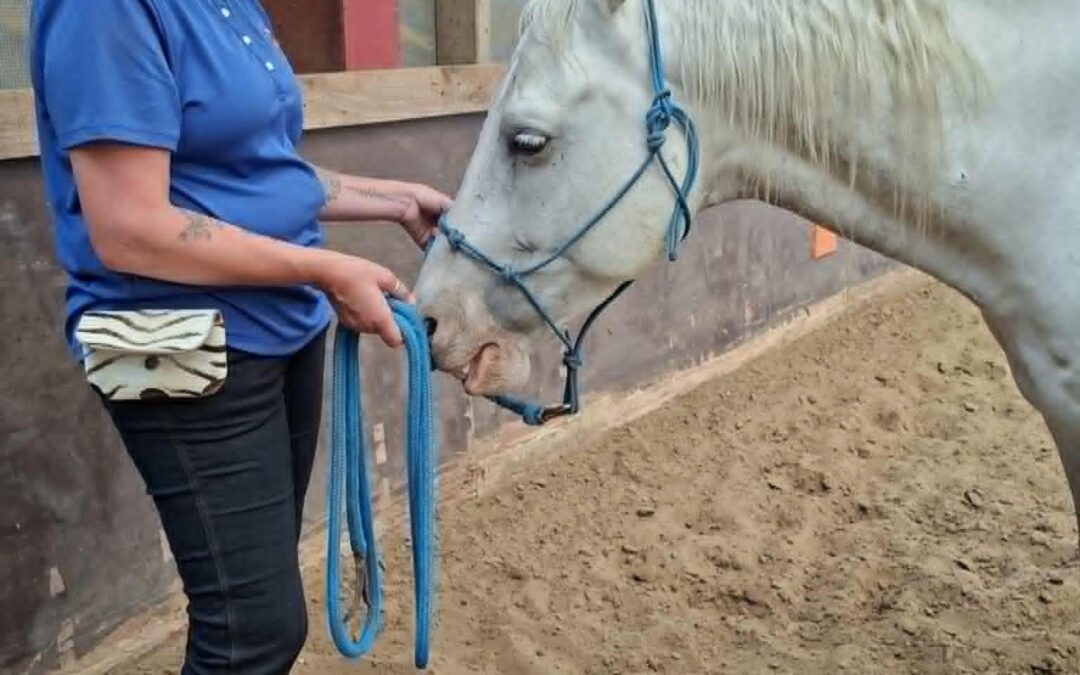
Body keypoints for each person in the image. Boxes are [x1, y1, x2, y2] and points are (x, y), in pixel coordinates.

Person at [28, 1, 452, 672]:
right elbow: (129, 226)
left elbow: (253, 170)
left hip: (281, 332)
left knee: (259, 604)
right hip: (187, 347)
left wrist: (395, 199)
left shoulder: (233, 6)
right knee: (251, 632)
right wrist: (323, 268)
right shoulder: (106, 11)